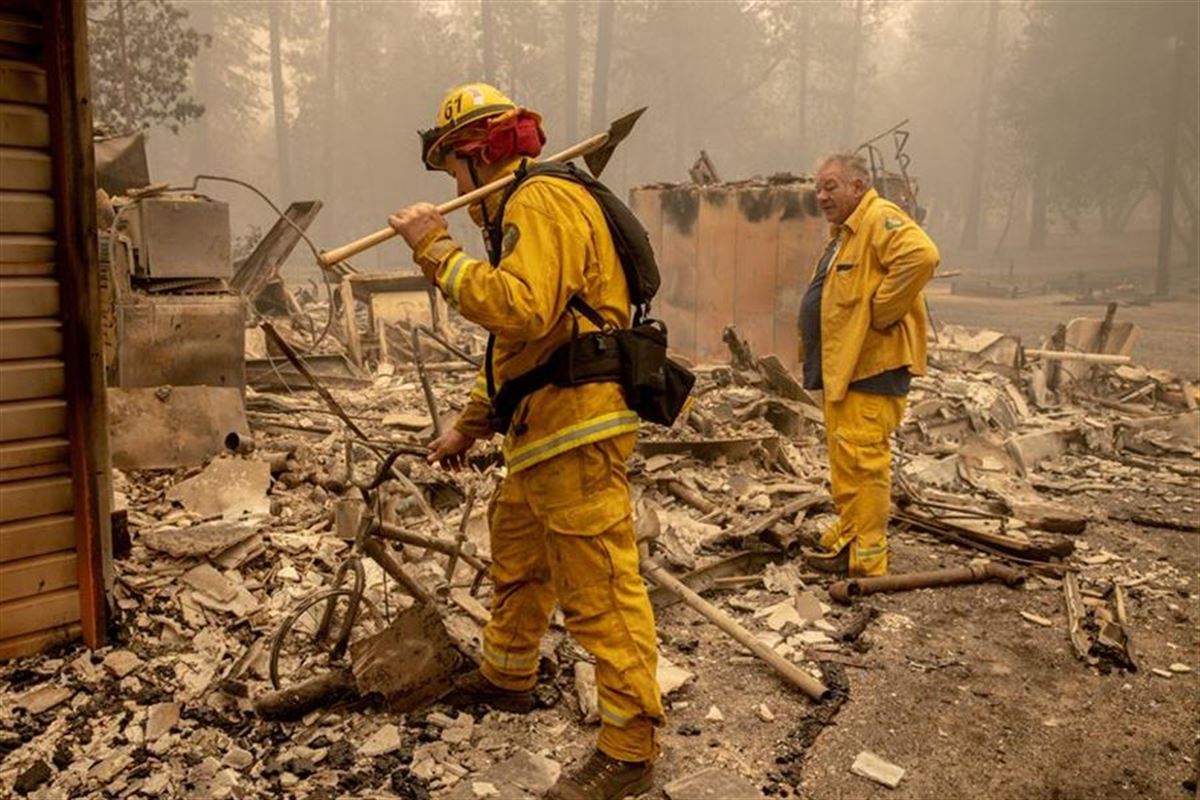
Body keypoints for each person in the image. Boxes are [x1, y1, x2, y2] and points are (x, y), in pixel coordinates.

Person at [387, 83, 662, 800]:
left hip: (577, 427)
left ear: (480, 157)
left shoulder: (539, 202)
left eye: (454, 174)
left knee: (600, 590)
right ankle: (507, 676)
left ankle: (629, 752)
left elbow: (521, 307)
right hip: (542, 427)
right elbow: (519, 351)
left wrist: (435, 251)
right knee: (518, 558)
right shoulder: (529, 209)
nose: (457, 191)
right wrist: (467, 426)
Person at [797, 152, 939, 578]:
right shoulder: (845, 231)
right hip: (847, 366)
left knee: (864, 459)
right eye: (818, 187)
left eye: (831, 186)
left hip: (872, 365)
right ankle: (849, 533)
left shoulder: (880, 217)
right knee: (845, 456)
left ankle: (868, 555)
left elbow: (923, 255)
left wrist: (882, 311)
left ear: (858, 187)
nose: (821, 195)